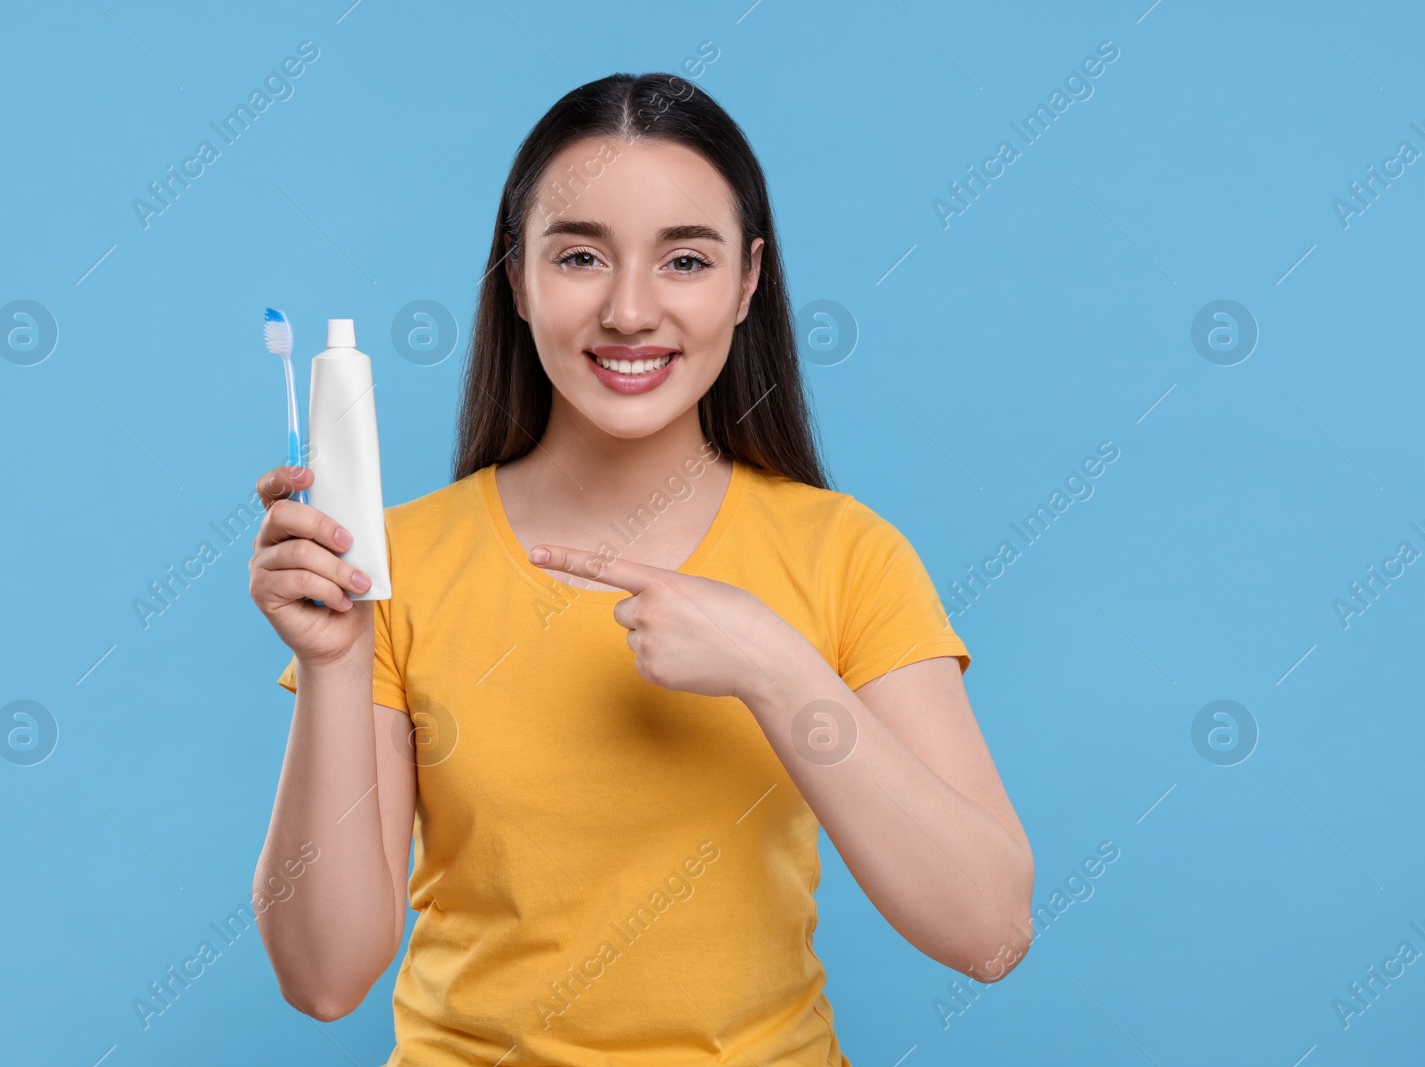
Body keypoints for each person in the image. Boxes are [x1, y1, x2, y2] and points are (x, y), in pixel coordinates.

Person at [247, 71, 1033, 1066]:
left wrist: (773, 667)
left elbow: (991, 931)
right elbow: (323, 979)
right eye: (579, 254)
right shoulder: (394, 567)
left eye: (684, 260)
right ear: (517, 279)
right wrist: (332, 663)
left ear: (747, 282)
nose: (628, 309)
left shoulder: (845, 556)